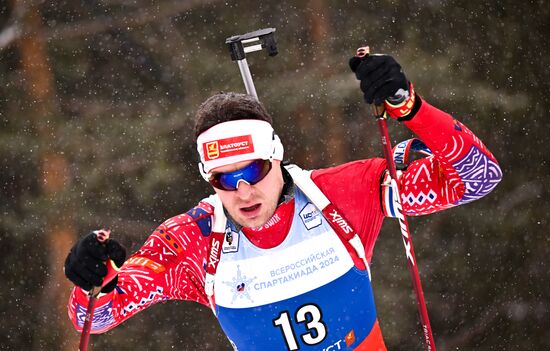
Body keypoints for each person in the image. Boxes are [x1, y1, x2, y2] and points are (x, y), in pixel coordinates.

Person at [64, 53, 502, 350]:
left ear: (276, 156)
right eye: (224, 179)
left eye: (252, 171)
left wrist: (408, 106)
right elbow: (99, 315)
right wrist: (90, 279)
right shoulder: (194, 242)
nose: (243, 191)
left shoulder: (342, 195)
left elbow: (477, 177)